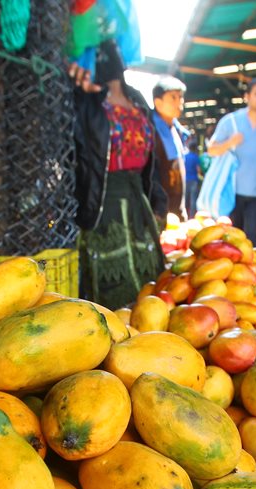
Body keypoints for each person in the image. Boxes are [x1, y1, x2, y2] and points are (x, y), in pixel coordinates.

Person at [70, 40, 166, 310]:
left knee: (148, 283)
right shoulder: (87, 101)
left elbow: (153, 160)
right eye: (99, 53)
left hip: (138, 201)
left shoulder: (138, 100)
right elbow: (81, 154)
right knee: (109, 280)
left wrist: (157, 201)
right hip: (103, 201)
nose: (107, 58)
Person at [208, 78, 256, 246]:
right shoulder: (231, 121)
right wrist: (230, 143)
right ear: (247, 96)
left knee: (252, 239)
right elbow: (211, 150)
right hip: (232, 192)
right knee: (230, 238)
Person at [151, 76, 189, 222]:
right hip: (159, 211)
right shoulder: (150, 130)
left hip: (177, 209)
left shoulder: (177, 130)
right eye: (173, 97)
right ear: (158, 103)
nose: (179, 101)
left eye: (180, 97)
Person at [184, 139, 202, 218]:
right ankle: (192, 217)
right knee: (193, 200)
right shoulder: (196, 157)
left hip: (185, 180)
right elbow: (198, 170)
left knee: (185, 199)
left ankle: (184, 215)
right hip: (194, 180)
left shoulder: (185, 157)